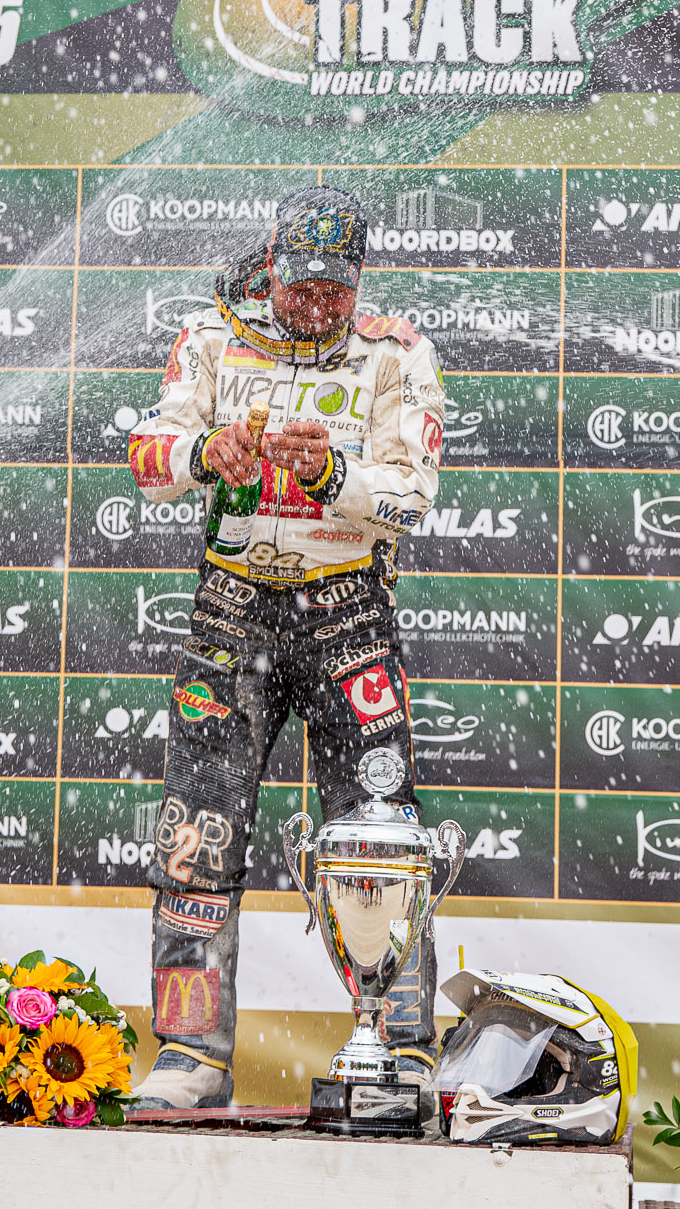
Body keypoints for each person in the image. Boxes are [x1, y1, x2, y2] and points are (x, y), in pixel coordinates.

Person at [122, 186, 449, 1109]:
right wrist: (205, 454)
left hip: (349, 612)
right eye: (302, 284)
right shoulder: (209, 336)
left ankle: (400, 1045)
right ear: (270, 266)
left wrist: (331, 473)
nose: (316, 303)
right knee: (196, 835)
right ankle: (190, 1052)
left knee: (378, 834)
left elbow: (413, 494)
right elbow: (148, 453)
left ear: (360, 279)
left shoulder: (397, 351)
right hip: (230, 613)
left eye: (334, 289)